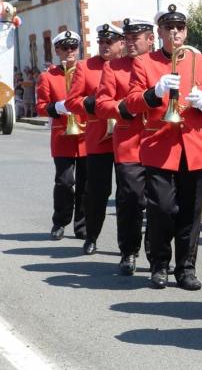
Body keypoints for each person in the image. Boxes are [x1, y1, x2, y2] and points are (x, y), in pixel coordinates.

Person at [123, 4, 202, 290]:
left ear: (186, 31)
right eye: (168, 28)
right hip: (160, 145)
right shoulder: (144, 63)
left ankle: (185, 267)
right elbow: (131, 102)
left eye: (180, 27)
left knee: (190, 211)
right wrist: (155, 92)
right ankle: (159, 264)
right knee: (162, 209)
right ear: (159, 32)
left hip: (195, 146)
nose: (175, 32)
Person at [95, 18, 155, 275]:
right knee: (130, 199)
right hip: (129, 144)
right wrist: (122, 108)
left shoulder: (161, 64)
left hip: (159, 142)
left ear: (150, 39)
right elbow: (101, 104)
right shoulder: (114, 68)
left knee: (161, 204)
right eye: (127, 39)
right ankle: (129, 251)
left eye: (135, 38)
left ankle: (157, 256)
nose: (130, 43)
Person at [65, 23, 125, 255]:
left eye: (109, 42)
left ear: (121, 43)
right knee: (97, 192)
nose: (104, 46)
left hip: (125, 138)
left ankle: (126, 244)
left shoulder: (129, 66)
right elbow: (72, 101)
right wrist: (93, 104)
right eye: (101, 42)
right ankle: (91, 236)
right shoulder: (85, 67)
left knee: (128, 193)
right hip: (98, 137)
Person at [35, 30, 87, 240]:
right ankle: (60, 221)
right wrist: (56, 107)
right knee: (64, 182)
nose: (69, 52)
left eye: (73, 47)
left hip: (85, 136)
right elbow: (40, 107)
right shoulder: (47, 76)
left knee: (85, 184)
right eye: (64, 48)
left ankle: (82, 225)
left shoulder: (86, 71)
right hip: (62, 135)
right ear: (57, 50)